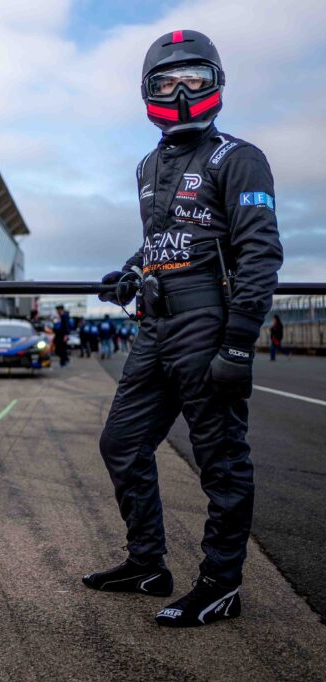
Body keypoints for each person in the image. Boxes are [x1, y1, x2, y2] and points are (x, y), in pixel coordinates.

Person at [84, 30, 283, 628]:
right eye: (165, 82)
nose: (179, 92)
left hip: (208, 324)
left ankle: (221, 584)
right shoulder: (147, 165)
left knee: (221, 461)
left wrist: (238, 343)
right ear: (146, 92)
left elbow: (260, 252)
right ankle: (147, 563)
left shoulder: (238, 157)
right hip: (155, 327)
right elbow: (167, 241)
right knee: (121, 442)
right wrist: (133, 269)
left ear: (216, 83)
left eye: (193, 78)